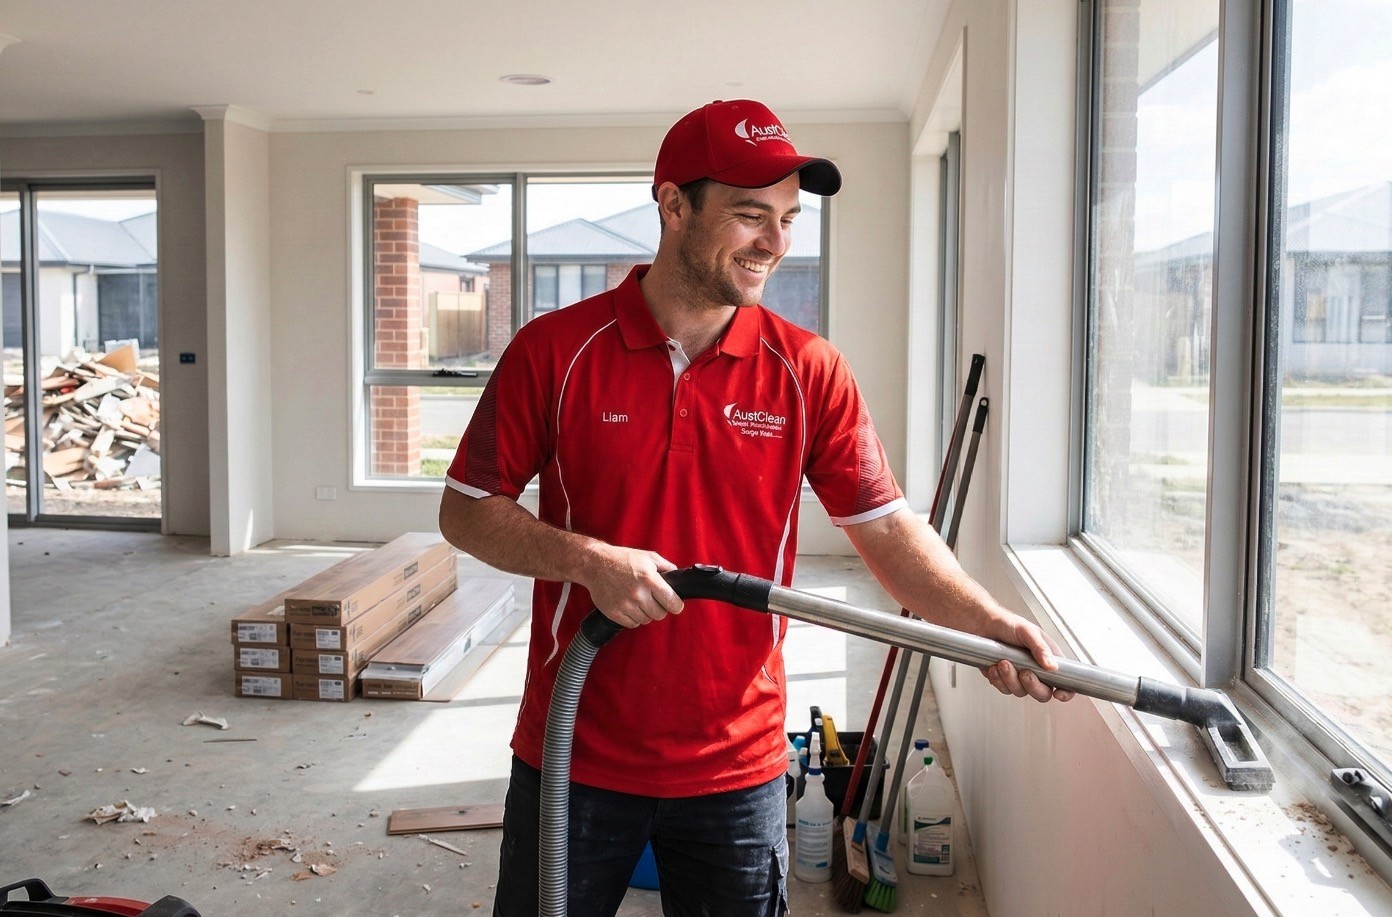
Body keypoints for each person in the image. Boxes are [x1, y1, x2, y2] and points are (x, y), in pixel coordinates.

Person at [439, 98, 1073, 917]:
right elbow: (465, 511)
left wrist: (983, 619)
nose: (775, 241)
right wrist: (587, 560)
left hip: (735, 765)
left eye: (787, 218)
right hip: (576, 752)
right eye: (749, 215)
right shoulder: (556, 351)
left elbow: (884, 530)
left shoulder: (808, 369)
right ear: (672, 205)